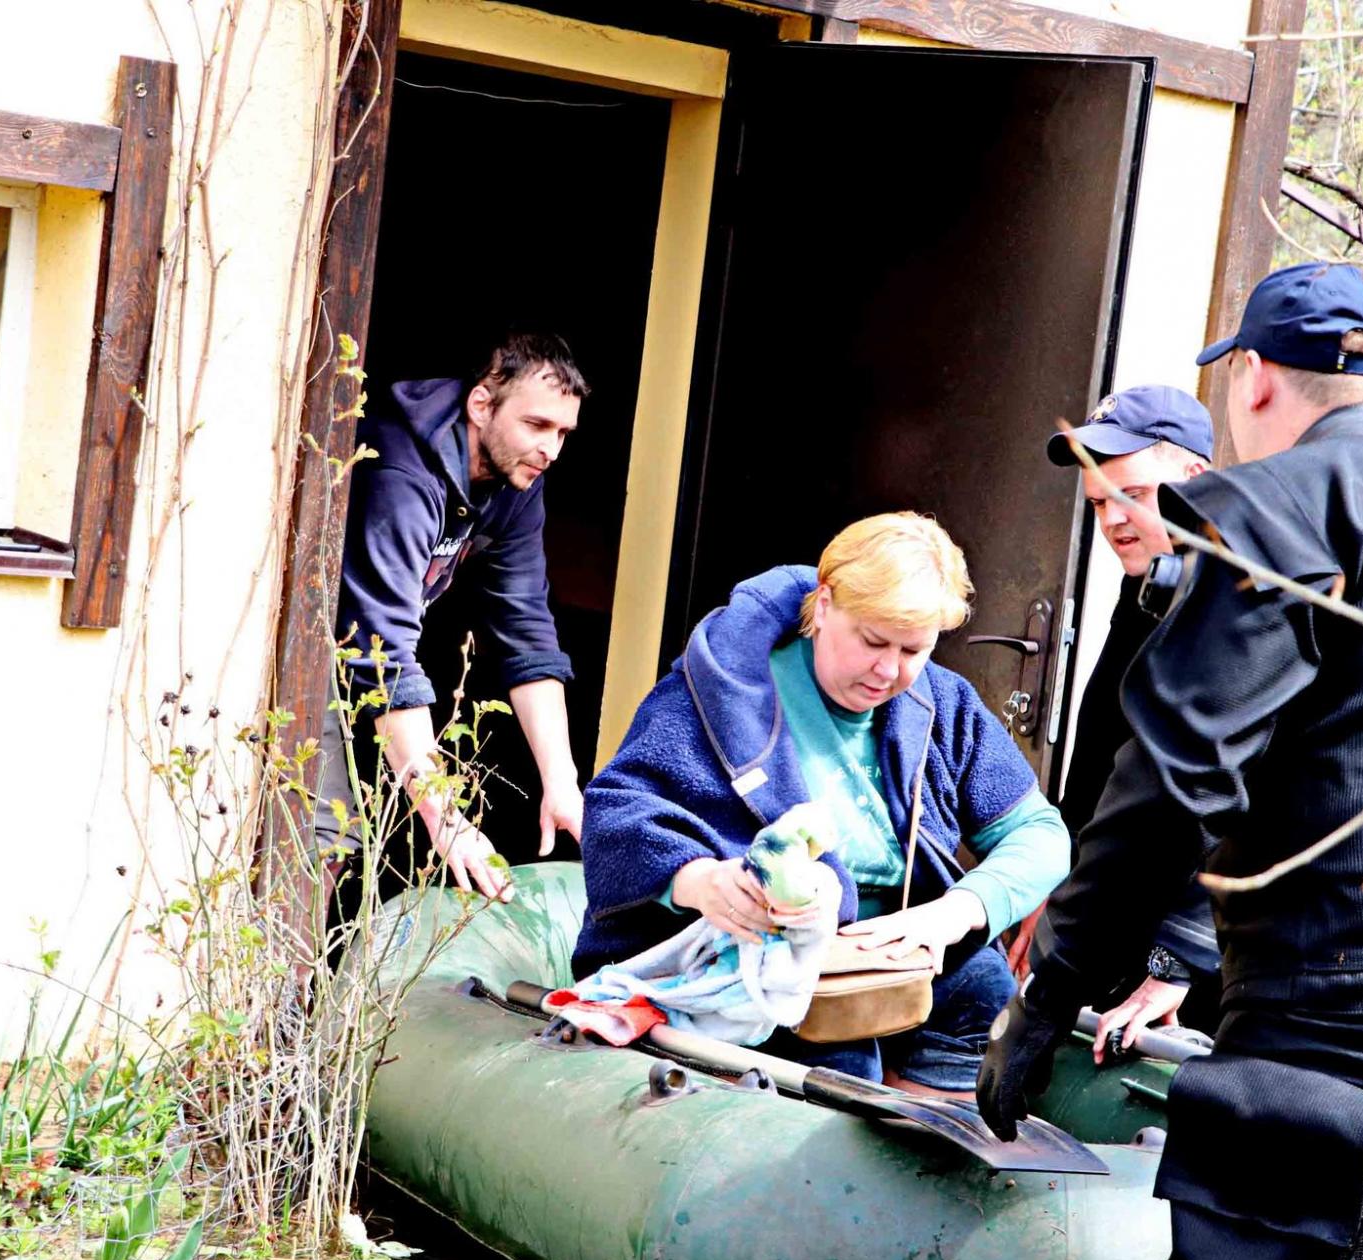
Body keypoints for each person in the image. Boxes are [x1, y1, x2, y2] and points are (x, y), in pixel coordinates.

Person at [978, 262, 1363, 1260]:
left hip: (1347, 1013)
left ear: (1250, 378)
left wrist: (1050, 990)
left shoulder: (1267, 505)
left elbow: (1172, 776)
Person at [576, 513, 1070, 1094]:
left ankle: (923, 1143)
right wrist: (700, 881)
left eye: (914, 649)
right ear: (825, 604)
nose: (889, 671)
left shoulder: (944, 703)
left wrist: (956, 911)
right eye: (872, 641)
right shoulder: (723, 690)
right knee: (845, 1059)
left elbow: (1040, 833)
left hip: (891, 954)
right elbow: (616, 813)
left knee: (990, 1002)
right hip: (754, 957)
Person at [324, 332, 590, 901]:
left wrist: (562, 783)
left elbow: (527, 632)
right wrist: (446, 821)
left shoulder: (517, 481)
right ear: (480, 405)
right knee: (322, 834)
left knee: (346, 833)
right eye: (538, 425)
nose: (552, 450)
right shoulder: (402, 473)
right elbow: (382, 652)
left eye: (563, 432)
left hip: (371, 663)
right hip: (309, 653)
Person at [1043, 386, 1222, 1047]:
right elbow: (1099, 756)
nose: (1114, 519)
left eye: (1134, 495)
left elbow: (1239, 799)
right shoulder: (1148, 583)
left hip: (1200, 951)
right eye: (1098, 502)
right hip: (1121, 918)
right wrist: (1053, 885)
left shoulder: (1239, 602)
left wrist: (1178, 959)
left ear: (1195, 479)